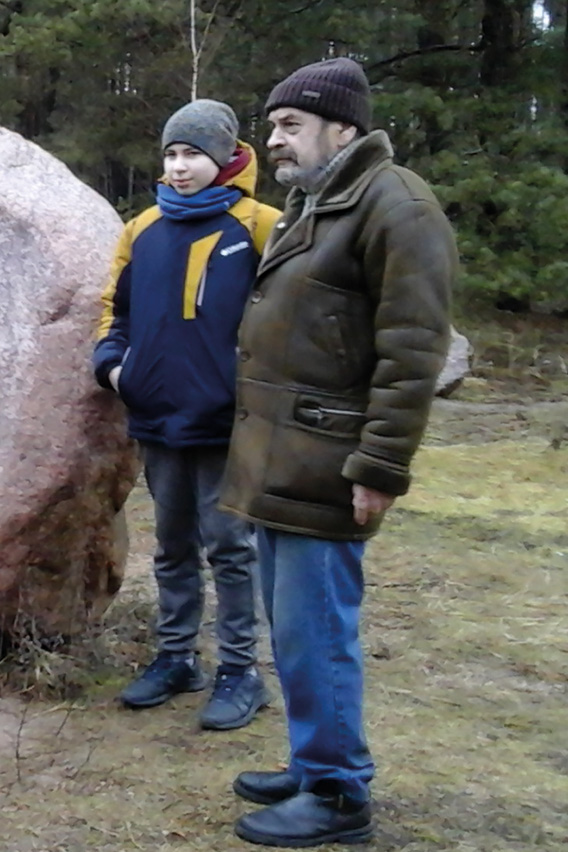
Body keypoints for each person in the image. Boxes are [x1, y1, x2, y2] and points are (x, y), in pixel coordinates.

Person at [220, 58, 455, 847]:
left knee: (317, 629)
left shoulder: (397, 206)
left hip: (327, 462)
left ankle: (338, 794)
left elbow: (413, 350)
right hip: (280, 459)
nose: (274, 140)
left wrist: (381, 466)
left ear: (342, 128)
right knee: (291, 631)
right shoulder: (316, 201)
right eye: (274, 125)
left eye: (290, 126)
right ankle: (312, 758)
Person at [92, 100, 280, 730]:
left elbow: (286, 318)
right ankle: (176, 658)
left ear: (226, 157)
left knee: (230, 547)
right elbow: (113, 310)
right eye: (171, 154)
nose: (179, 166)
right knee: (172, 546)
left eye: (193, 154)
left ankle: (239, 672)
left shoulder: (262, 226)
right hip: (158, 415)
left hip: (231, 422)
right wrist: (115, 369)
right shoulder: (141, 228)